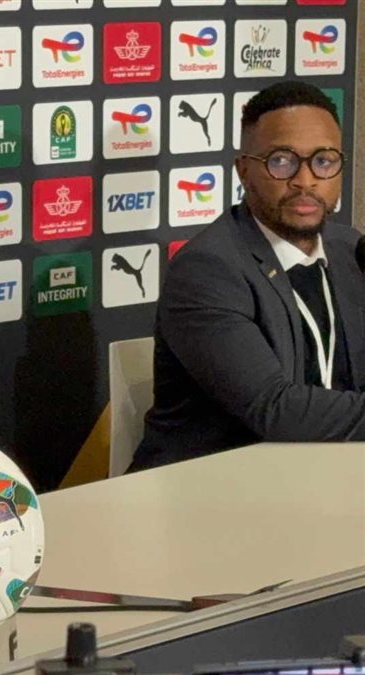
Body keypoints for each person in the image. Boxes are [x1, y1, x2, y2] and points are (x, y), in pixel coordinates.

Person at [133, 81, 365, 471]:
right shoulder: (208, 269)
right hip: (209, 484)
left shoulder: (350, 250)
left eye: (324, 161)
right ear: (244, 170)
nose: (305, 180)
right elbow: (274, 408)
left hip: (323, 474)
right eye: (281, 160)